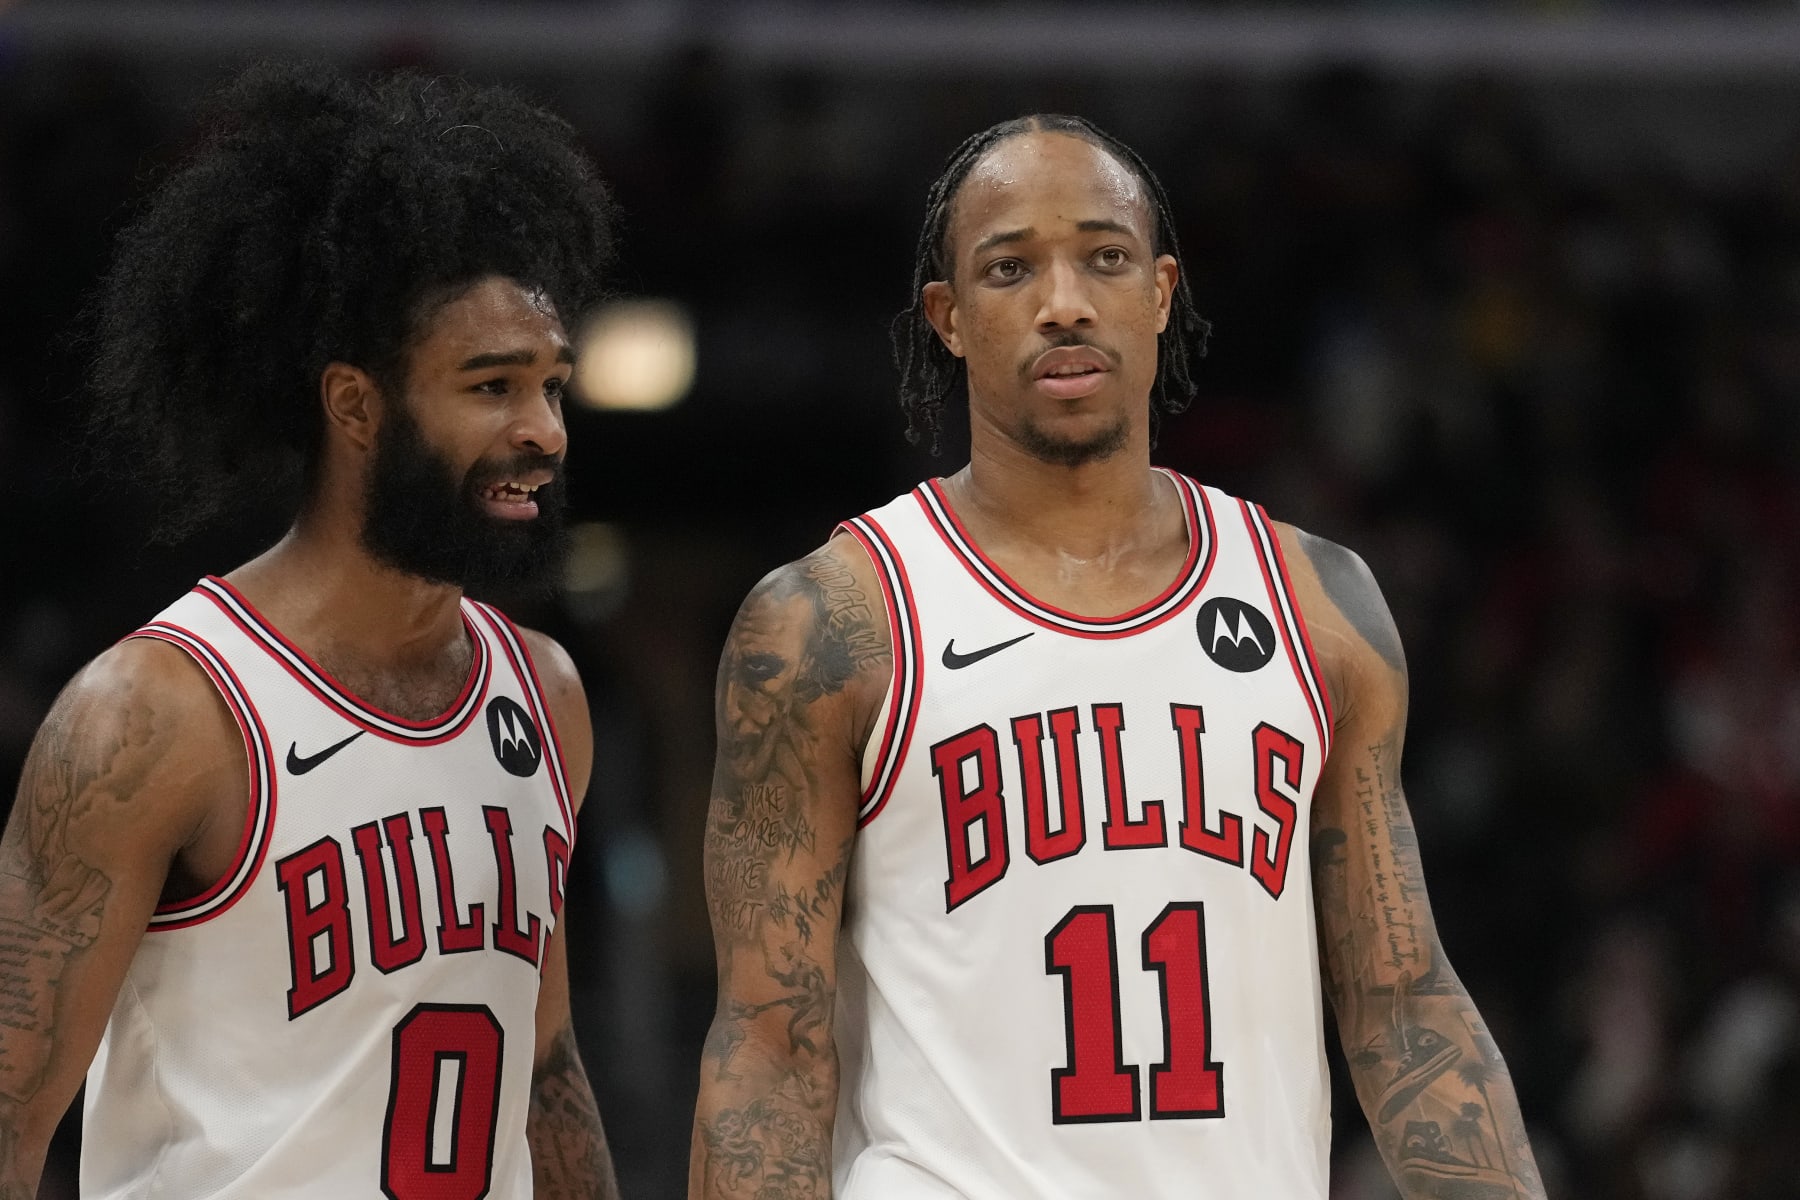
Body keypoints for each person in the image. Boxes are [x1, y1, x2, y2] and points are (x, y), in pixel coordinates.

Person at [690, 115, 1546, 1199]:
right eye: (1011, 269)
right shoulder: (833, 620)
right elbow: (770, 1047)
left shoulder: (1317, 604)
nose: (1065, 302)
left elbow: (1403, 1002)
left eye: (1105, 258)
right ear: (949, 319)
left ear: (1160, 292)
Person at [0, 65, 621, 1197]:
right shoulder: (156, 713)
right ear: (355, 405)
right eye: (491, 388)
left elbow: (546, 1069)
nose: (543, 431)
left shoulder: (544, 694)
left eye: (552, 387)